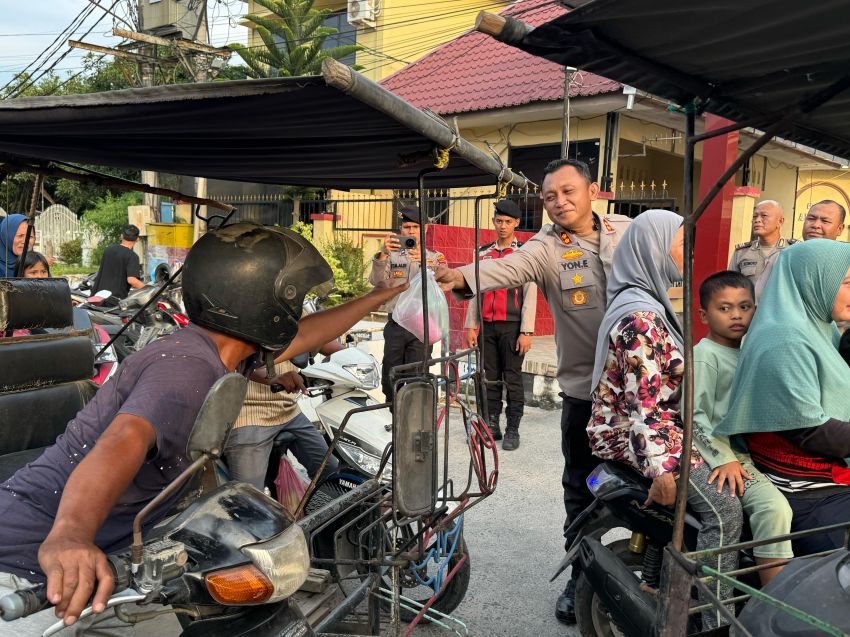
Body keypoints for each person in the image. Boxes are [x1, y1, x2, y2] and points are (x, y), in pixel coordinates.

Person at [0, 222, 407, 635]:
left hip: (110, 554)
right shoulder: (186, 367)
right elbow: (124, 439)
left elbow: (303, 336)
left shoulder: (223, 352)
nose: (297, 311)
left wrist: (380, 295)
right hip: (30, 567)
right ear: (258, 302)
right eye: (294, 300)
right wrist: (71, 536)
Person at [436, 158, 631, 623]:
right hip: (587, 393)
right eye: (549, 196)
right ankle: (581, 577)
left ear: (593, 190)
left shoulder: (628, 228)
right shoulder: (545, 247)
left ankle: (647, 569)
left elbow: (677, 258)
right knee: (582, 491)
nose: (560, 202)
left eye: (569, 191)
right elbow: (507, 269)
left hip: (641, 395)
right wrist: (458, 276)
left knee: (649, 487)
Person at [589, 209, 743, 629]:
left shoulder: (649, 302)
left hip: (656, 428)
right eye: (680, 242)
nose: (687, 252)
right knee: (725, 511)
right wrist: (662, 471)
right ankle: (715, 622)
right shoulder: (640, 318)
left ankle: (661, 577)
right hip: (639, 435)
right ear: (653, 248)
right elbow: (646, 406)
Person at [716, 239, 850, 556]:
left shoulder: (818, 325)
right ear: (813, 281)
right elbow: (808, 429)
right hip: (807, 488)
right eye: (845, 282)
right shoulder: (784, 339)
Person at [693, 271, 792, 585]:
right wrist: (725, 459)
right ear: (703, 315)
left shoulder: (747, 352)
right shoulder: (706, 356)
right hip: (723, 457)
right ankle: (774, 601)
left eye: (745, 306)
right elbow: (695, 418)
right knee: (773, 508)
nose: (736, 315)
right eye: (724, 308)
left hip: (749, 452)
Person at [463, 199, 537, 450]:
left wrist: (526, 331)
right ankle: (491, 424)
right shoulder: (482, 253)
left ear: (516, 223)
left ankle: (512, 429)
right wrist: (471, 325)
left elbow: (530, 293)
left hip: (513, 326)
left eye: (508, 222)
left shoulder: (525, 253)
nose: (503, 226)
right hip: (487, 326)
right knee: (490, 378)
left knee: (513, 379)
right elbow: (474, 289)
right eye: (499, 221)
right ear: (494, 222)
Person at [224, 342, 343, 490]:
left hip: (289, 410)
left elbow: (316, 337)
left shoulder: (295, 319)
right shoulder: (244, 320)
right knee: (249, 496)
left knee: (330, 470)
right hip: (249, 413)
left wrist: (351, 356)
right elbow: (234, 359)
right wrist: (274, 378)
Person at [369, 205, 446, 402]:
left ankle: (412, 424)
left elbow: (445, 285)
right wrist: (382, 254)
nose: (411, 231)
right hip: (396, 323)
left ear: (425, 229)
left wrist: (430, 267)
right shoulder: (392, 255)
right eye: (406, 227)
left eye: (415, 227)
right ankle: (391, 414)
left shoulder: (435, 257)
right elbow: (376, 281)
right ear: (400, 230)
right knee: (390, 375)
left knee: (416, 378)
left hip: (422, 326)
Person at [755, 200, 847, 302]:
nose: (815, 225)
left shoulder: (846, 261)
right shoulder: (782, 258)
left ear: (840, 229)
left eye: (825, 221)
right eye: (811, 219)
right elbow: (761, 299)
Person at [729, 200, 795, 287]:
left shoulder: (793, 250)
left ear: (780, 222)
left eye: (764, 216)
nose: (757, 220)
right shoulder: (741, 252)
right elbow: (731, 286)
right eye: (754, 216)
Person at [91, 224, 144, 302]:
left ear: (121, 236)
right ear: (137, 239)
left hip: (96, 298)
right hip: (113, 302)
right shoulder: (132, 256)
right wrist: (148, 289)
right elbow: (132, 280)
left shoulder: (108, 249)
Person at [0, 213, 35, 278]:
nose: (25, 241)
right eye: (20, 236)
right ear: (6, 237)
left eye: (30, 236)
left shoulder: (37, 265)